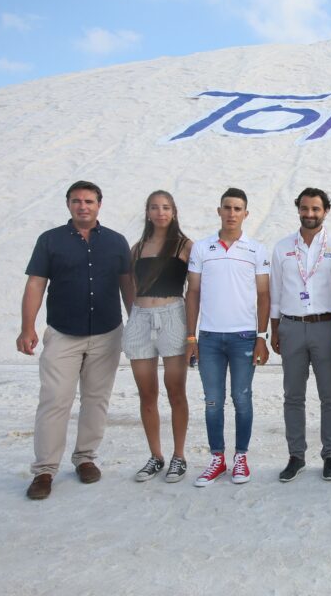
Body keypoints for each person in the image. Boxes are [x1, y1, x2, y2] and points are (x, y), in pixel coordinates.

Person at [17, 180, 134, 500]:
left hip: (107, 334)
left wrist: (136, 324)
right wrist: (27, 327)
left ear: (99, 205)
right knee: (55, 399)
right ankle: (44, 469)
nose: (83, 206)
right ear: (68, 204)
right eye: (77, 201)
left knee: (97, 399)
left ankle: (85, 458)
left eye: (89, 201)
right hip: (63, 334)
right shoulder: (50, 241)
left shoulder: (115, 242)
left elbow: (128, 286)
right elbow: (35, 285)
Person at [185, 187, 271, 487]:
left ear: (245, 214)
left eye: (237, 209)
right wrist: (191, 338)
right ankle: (217, 458)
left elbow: (263, 295)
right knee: (212, 401)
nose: (232, 213)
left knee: (242, 399)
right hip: (208, 339)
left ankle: (241, 458)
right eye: (227, 208)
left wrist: (262, 335)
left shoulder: (256, 249)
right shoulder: (201, 248)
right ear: (219, 211)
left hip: (244, 337)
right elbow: (192, 293)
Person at [269, 188, 331, 482]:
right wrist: (274, 329)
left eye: (316, 209)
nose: (309, 214)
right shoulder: (282, 247)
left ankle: (330, 455)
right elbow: (275, 291)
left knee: (330, 395)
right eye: (305, 208)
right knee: (293, 395)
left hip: (326, 325)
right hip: (291, 326)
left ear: (326, 211)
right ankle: (296, 455)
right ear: (298, 209)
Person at [123, 190, 192, 483]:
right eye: (154, 207)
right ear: (147, 212)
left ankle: (179, 456)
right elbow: (130, 285)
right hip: (141, 318)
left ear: (174, 211)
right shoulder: (137, 247)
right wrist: (134, 314)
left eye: (165, 207)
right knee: (147, 393)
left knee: (175, 390)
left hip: (172, 315)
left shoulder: (185, 246)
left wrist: (191, 333)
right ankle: (156, 455)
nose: (160, 212)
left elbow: (196, 289)